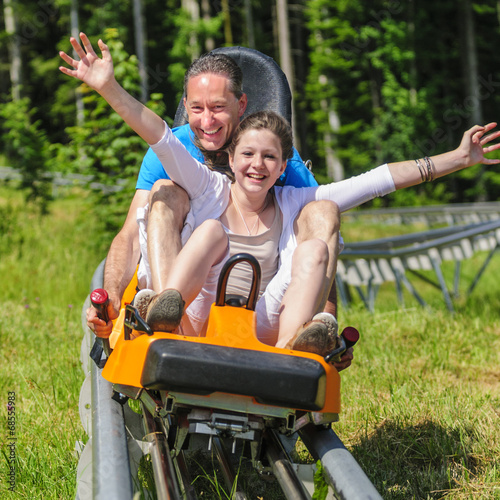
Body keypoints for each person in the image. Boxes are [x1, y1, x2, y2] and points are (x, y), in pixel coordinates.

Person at [60, 34, 500, 355]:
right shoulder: (205, 183)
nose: (257, 165)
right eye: (248, 155)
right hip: (194, 309)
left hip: (261, 317)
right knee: (196, 217)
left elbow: (378, 180)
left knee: (326, 211)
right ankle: (163, 311)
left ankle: (297, 347)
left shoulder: (295, 196)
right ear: (232, 159)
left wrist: (457, 159)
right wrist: (108, 88)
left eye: (269, 158)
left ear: (283, 166)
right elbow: (156, 133)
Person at [78, 35, 344, 355]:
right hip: (190, 293)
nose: (207, 121)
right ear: (186, 107)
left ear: (241, 105)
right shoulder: (171, 152)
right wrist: (111, 297)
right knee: (165, 192)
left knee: (324, 209)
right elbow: (132, 236)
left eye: (218, 108)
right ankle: (166, 318)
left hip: (264, 297)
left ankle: (307, 336)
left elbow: (323, 239)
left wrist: (329, 317)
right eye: (197, 108)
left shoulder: (273, 157)